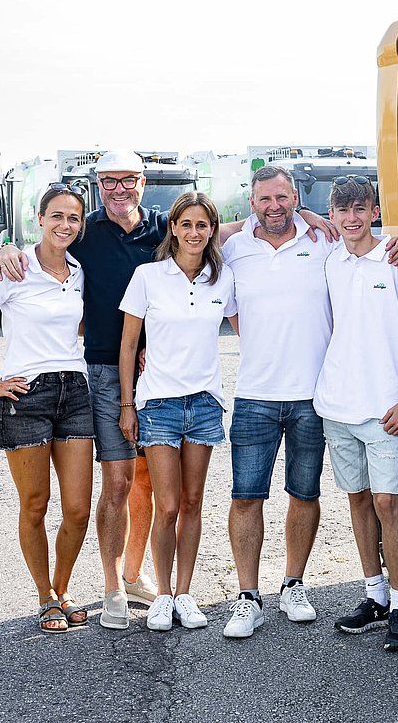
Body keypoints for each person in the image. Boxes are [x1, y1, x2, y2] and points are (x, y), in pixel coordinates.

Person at [0, 152, 340, 629]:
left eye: (128, 180)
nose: (119, 189)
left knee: (153, 487)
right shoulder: (87, 230)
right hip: (109, 373)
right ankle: (114, 588)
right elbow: (51, 237)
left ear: (142, 182)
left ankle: (148, 580)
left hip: (178, 384)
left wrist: (307, 215)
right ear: (98, 184)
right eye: (110, 181)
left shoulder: (168, 231)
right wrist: (10, 248)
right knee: (119, 484)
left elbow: (231, 227)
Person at [218, 165, 398, 639]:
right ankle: (248, 598)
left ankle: (293, 585)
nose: (275, 207)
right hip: (254, 395)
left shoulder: (325, 241)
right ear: (252, 204)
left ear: (297, 199)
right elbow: (195, 231)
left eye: (284, 198)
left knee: (304, 496)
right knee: (246, 497)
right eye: (265, 199)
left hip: (315, 397)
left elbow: (365, 236)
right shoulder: (233, 246)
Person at [0, 185, 94, 633]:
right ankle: (44, 595)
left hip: (76, 391)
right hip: (26, 395)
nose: (65, 225)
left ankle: (63, 587)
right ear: (39, 218)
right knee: (35, 503)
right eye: (56, 216)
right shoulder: (14, 268)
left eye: (73, 218)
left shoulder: (79, 272)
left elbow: (83, 326)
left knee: (78, 508)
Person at [314, 175, 398, 653]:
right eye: (342, 210)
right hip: (336, 404)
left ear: (374, 210)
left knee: (388, 503)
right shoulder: (330, 262)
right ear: (331, 213)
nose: (351, 218)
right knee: (358, 500)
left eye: (360, 208)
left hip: (386, 407)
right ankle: (374, 596)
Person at [117, 192, 236, 631]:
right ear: (173, 228)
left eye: (202, 225)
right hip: (158, 406)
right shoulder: (149, 276)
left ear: (212, 230)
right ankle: (162, 596)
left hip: (205, 404)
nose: (194, 232)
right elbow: (129, 344)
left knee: (192, 503)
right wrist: (127, 404)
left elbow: (249, 327)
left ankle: (186, 594)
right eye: (185, 224)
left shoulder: (223, 280)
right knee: (166, 505)